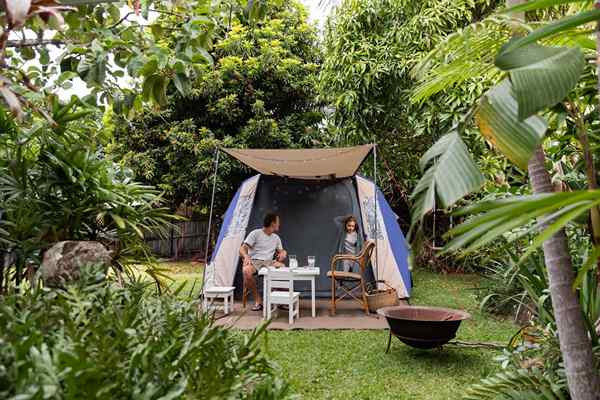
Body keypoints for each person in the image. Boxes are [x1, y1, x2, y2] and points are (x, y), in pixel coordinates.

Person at [239, 212, 287, 311]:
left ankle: (279, 299)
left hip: (269, 262)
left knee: (283, 267)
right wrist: (246, 256)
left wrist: (283, 253)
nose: (279, 224)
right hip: (256, 261)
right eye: (278, 222)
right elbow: (242, 249)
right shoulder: (255, 233)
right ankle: (258, 301)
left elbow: (281, 251)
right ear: (272, 223)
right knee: (246, 271)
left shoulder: (276, 238)